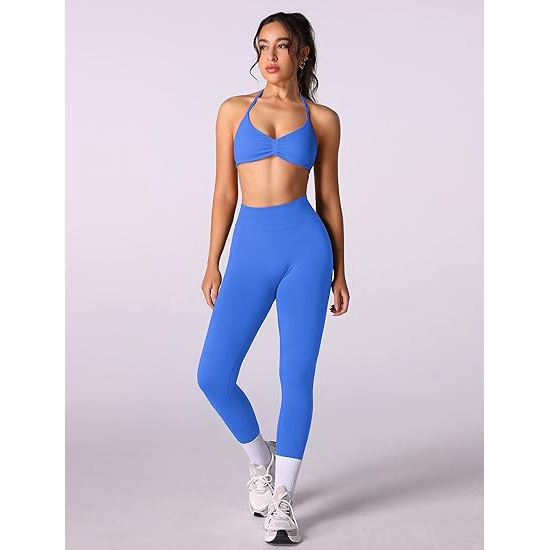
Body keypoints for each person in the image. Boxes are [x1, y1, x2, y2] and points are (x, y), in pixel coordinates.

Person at [196, 11, 350, 544]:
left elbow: (329, 199)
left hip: (307, 251)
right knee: (213, 374)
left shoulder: (323, 119)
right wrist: (212, 260)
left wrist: (341, 272)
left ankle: (283, 499)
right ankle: (261, 462)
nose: (270, 55)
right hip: (250, 250)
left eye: (282, 45)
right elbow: (224, 192)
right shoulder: (232, 111)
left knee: (296, 376)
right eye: (262, 45)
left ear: (302, 53)